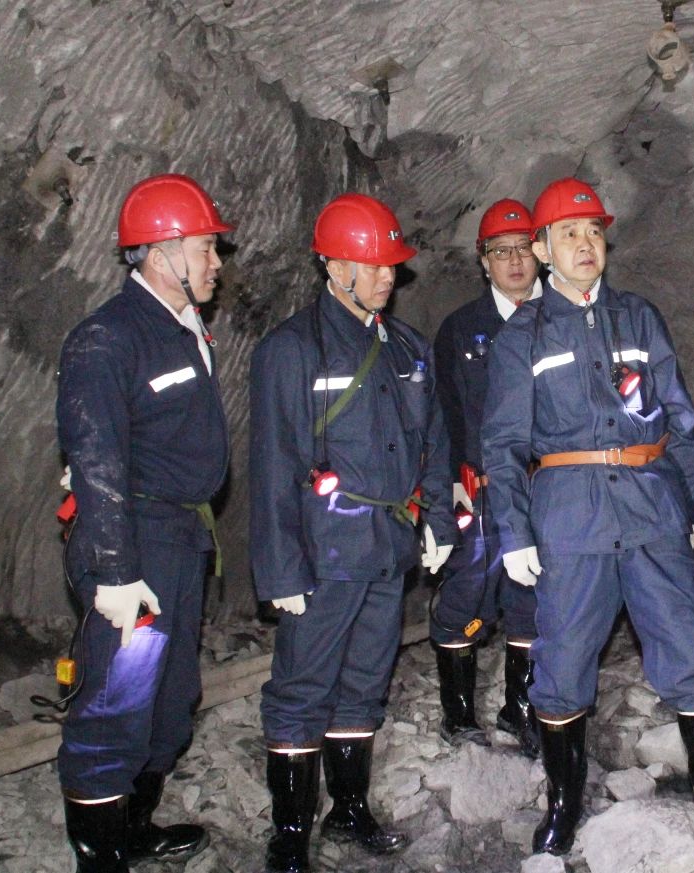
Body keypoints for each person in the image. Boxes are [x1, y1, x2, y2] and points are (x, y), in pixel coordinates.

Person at [481, 177, 694, 856]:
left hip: (649, 506)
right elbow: (502, 443)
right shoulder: (523, 336)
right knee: (562, 661)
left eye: (594, 232)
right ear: (542, 249)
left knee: (690, 648)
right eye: (568, 234)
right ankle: (563, 803)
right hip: (571, 514)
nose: (585, 243)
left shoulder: (639, 318)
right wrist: (515, 531)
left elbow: (681, 420)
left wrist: (685, 504)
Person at [249, 193, 456, 872]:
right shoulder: (292, 350)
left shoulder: (407, 347)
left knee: (365, 680)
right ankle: (289, 834)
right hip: (325, 551)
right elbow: (275, 463)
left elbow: (433, 442)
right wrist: (280, 569)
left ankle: (349, 807)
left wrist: (437, 518)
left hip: (388, 548)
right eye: (373, 265)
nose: (387, 276)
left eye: (391, 264)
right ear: (334, 267)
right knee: (302, 687)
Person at [56, 173, 231, 872]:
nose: (217, 262)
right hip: (134, 544)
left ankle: (133, 829)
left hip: (180, 542)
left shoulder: (181, 329)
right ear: (161, 254)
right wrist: (115, 571)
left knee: (171, 699)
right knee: (117, 705)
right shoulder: (108, 338)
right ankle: (101, 857)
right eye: (206, 248)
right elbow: (96, 458)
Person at [430, 198, 543, 755]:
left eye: (523, 249)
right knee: (466, 589)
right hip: (479, 487)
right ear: (483, 261)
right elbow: (442, 416)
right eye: (501, 252)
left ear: (540, 253)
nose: (515, 262)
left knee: (535, 595)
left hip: (545, 485)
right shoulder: (461, 330)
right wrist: (446, 491)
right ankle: (458, 714)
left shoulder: (562, 318)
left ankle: (520, 709)